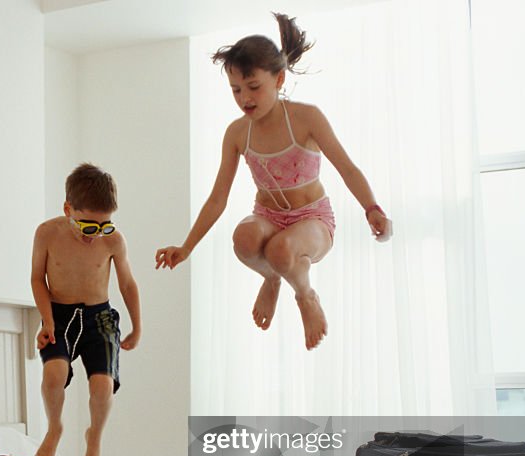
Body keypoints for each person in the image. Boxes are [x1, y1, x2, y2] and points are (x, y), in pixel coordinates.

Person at [155, 12, 392, 350]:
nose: (244, 98)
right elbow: (217, 198)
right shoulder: (237, 133)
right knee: (245, 236)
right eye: (236, 90)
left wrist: (372, 208)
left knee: (282, 249)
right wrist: (186, 246)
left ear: (279, 80)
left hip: (312, 219)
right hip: (267, 217)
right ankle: (271, 278)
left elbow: (347, 168)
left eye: (254, 87)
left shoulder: (307, 118)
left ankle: (305, 295)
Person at [31, 163, 141, 456]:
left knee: (103, 387)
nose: (97, 234)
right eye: (89, 226)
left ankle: (94, 437)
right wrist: (47, 321)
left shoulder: (113, 241)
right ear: (68, 209)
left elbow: (128, 284)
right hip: (60, 315)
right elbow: (38, 279)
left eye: (104, 226)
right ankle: (55, 427)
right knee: (54, 374)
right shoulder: (47, 234)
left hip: (101, 316)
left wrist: (137, 325)